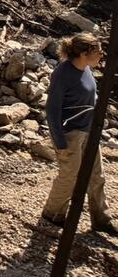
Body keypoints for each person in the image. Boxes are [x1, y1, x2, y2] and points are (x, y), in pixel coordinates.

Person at [42, 32, 113, 233]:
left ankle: (102, 220)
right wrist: (60, 142)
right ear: (83, 53)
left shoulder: (87, 70)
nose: (101, 55)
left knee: (97, 176)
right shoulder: (63, 73)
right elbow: (52, 110)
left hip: (89, 131)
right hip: (70, 134)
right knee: (70, 176)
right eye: (98, 51)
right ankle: (52, 214)